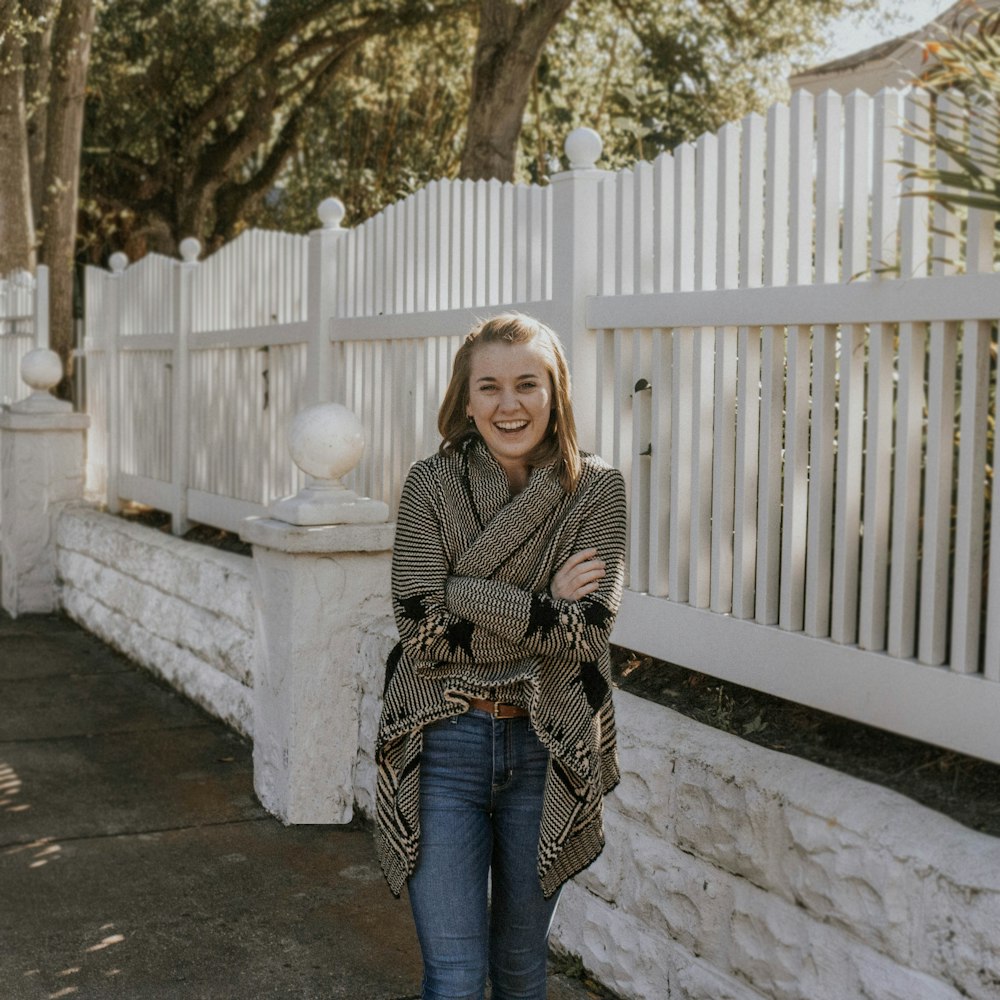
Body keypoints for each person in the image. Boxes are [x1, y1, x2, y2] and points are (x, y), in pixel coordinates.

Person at [375, 313, 627, 1000]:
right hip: (442, 744)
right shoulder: (431, 484)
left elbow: (587, 635)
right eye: (489, 386)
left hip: (546, 743)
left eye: (527, 385)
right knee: (454, 979)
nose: (508, 404)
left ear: (557, 393)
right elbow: (423, 633)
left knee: (520, 972)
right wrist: (544, 596)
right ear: (465, 397)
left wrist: (462, 589)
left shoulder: (598, 489)